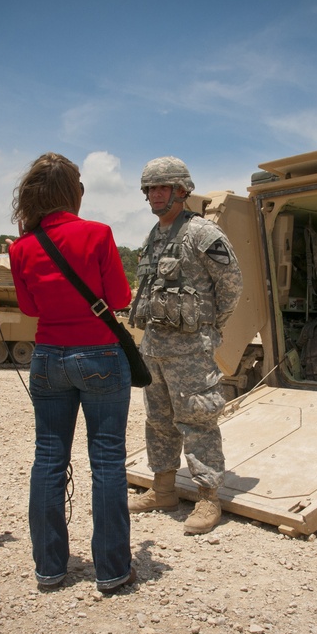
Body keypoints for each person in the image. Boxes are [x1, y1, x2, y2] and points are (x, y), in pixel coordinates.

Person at [8, 152, 136, 593]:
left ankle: (49, 567)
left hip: (47, 356)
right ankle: (112, 570)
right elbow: (118, 297)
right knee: (106, 460)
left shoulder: (22, 246)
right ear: (72, 192)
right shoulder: (97, 234)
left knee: (48, 459)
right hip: (99, 354)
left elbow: (29, 308)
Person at [127, 156, 243, 535]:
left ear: (181, 191)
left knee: (197, 420)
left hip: (191, 350)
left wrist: (211, 328)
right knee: (158, 421)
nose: (156, 195)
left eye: (163, 188)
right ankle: (163, 489)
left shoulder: (202, 233)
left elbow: (231, 285)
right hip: (156, 346)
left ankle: (209, 497)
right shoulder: (154, 235)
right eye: (151, 189)